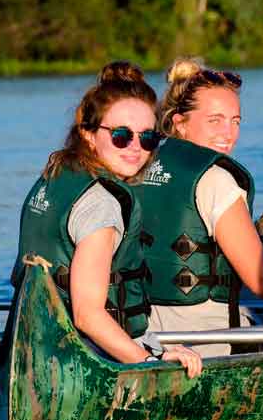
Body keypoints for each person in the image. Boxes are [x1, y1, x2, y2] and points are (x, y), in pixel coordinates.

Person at [11, 61, 202, 376]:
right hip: (85, 356)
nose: (136, 148)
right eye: (121, 135)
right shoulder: (102, 204)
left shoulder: (57, 174)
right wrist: (150, 365)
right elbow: (87, 316)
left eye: (148, 138)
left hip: (37, 346)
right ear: (88, 133)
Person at [134, 58, 263, 357]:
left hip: (145, 334)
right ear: (179, 122)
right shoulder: (216, 179)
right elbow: (261, 280)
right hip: (208, 341)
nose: (229, 133)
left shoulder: (138, 166)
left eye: (235, 120)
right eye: (215, 120)